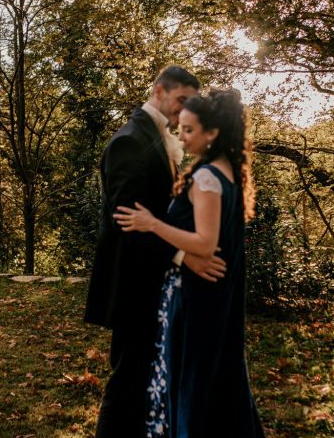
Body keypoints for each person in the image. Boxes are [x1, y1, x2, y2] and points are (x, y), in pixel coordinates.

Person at [85, 66, 228, 438]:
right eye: (181, 101)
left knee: (145, 375)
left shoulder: (156, 137)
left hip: (153, 279)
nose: (184, 112)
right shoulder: (130, 140)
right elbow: (126, 223)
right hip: (132, 280)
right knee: (128, 379)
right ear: (159, 91)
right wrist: (184, 256)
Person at [114, 89, 265, 437]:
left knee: (193, 380)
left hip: (197, 296)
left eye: (189, 130)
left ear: (212, 133)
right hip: (216, 294)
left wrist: (152, 223)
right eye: (180, 128)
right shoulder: (228, 171)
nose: (181, 136)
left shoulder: (208, 177)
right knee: (218, 376)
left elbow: (205, 243)